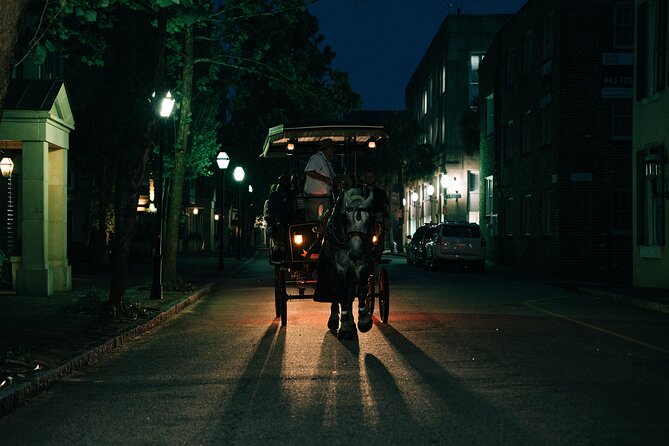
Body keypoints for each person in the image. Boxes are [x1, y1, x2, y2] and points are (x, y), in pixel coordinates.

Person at [304, 139, 336, 221]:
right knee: (313, 221)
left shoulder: (327, 162)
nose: (334, 151)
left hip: (325, 197)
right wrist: (325, 179)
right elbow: (309, 171)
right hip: (314, 197)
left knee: (325, 222)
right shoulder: (316, 158)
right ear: (327, 149)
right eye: (332, 149)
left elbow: (334, 178)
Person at [363, 169, 389, 261]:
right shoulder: (361, 192)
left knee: (378, 241)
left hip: (377, 221)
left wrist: (386, 220)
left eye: (371, 176)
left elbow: (386, 208)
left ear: (375, 178)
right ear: (365, 178)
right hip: (364, 220)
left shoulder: (381, 193)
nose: (369, 179)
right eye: (367, 177)